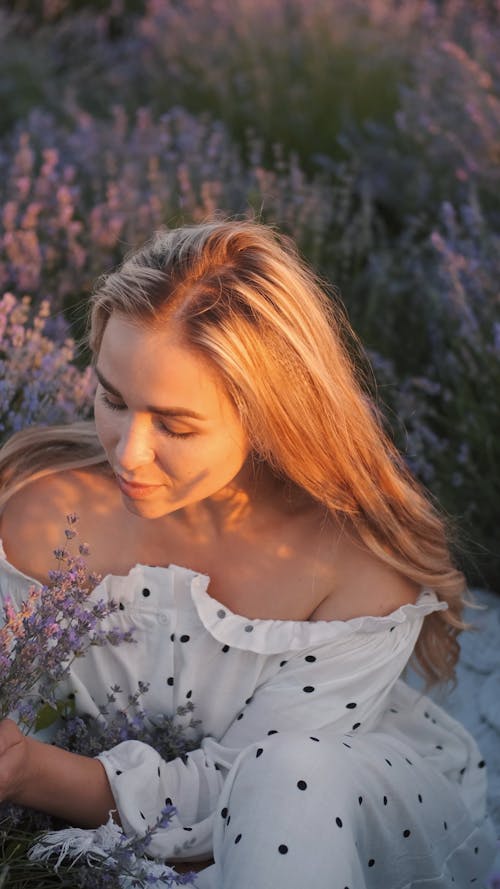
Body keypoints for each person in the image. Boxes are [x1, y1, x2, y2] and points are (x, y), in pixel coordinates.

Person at [0, 220, 496, 888]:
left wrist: (31, 771)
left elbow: (233, 793)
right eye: (112, 398)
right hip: (102, 833)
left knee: (287, 771)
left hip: (328, 816)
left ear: (269, 416)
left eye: (176, 424)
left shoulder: (353, 569)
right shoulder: (42, 508)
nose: (127, 450)